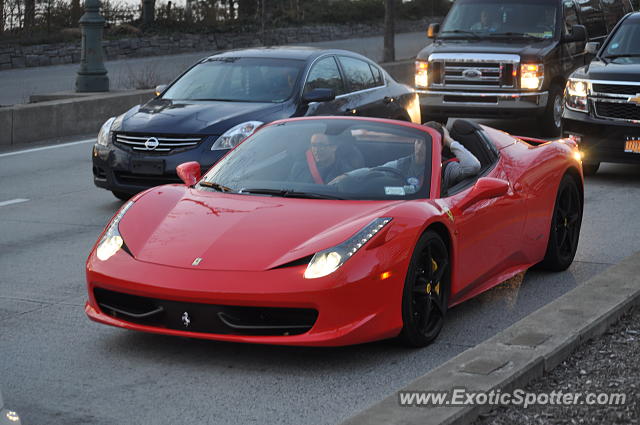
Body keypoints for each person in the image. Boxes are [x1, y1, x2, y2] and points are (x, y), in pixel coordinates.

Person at [424, 121, 481, 190]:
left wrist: (448, 139)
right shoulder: (407, 161)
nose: (420, 146)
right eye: (419, 141)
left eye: (427, 144)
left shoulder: (445, 169)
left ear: (440, 147)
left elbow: (473, 166)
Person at [288, 133, 355, 184]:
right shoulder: (299, 168)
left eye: (321, 145)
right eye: (314, 145)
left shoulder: (345, 172)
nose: (316, 150)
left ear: (334, 147)